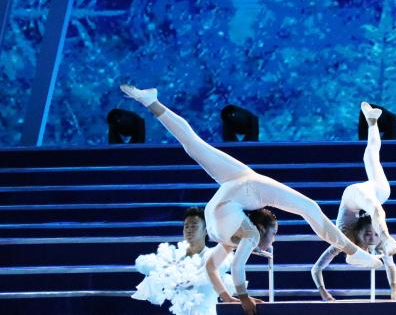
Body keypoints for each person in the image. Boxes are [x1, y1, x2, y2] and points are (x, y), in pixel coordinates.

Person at [121, 85, 381, 315]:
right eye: (274, 234)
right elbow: (224, 267)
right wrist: (239, 297)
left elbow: (220, 267)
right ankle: (355, 253)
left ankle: (151, 101)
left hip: (239, 187)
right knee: (195, 146)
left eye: (274, 234)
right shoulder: (241, 235)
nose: (273, 241)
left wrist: (233, 297)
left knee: (195, 145)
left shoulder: (239, 235)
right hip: (238, 191)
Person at [311, 102, 396, 301]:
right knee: (371, 157)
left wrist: (323, 293)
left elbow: (316, 268)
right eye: (374, 236)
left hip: (354, 197)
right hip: (379, 192)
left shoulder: (343, 240)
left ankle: (388, 238)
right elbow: (390, 265)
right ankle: (372, 122)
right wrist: (395, 291)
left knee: (376, 208)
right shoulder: (377, 244)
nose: (371, 237)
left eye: (369, 235)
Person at [132, 207, 227, 315]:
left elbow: (222, 266)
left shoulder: (212, 254)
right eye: (186, 226)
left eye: (194, 226)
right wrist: (164, 268)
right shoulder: (174, 257)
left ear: (206, 230)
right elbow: (141, 264)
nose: (189, 230)